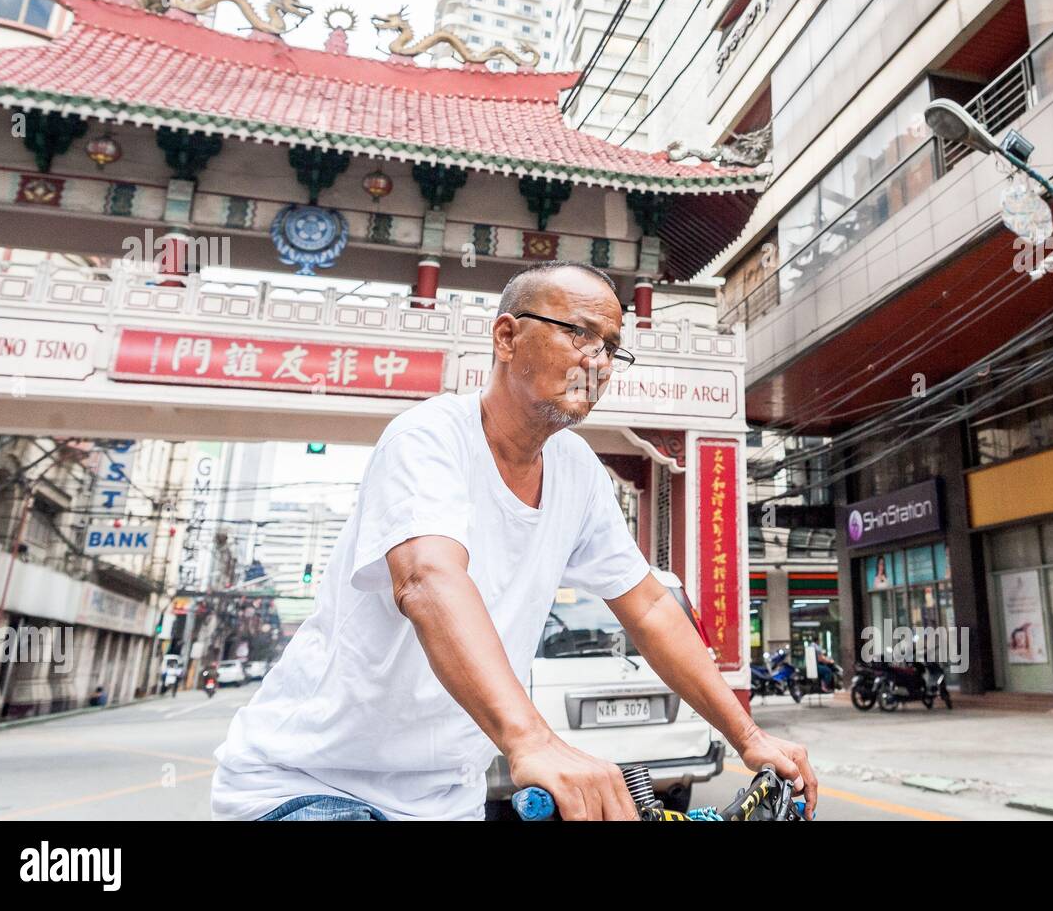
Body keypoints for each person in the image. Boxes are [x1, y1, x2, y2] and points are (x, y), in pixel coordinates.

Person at [210, 261, 817, 822]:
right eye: (579, 334)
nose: (598, 362)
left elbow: (652, 606)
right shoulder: (429, 436)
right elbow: (427, 579)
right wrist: (531, 740)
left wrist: (750, 738)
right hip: (311, 783)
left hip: (444, 798)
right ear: (506, 337)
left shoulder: (577, 471)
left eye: (611, 348)